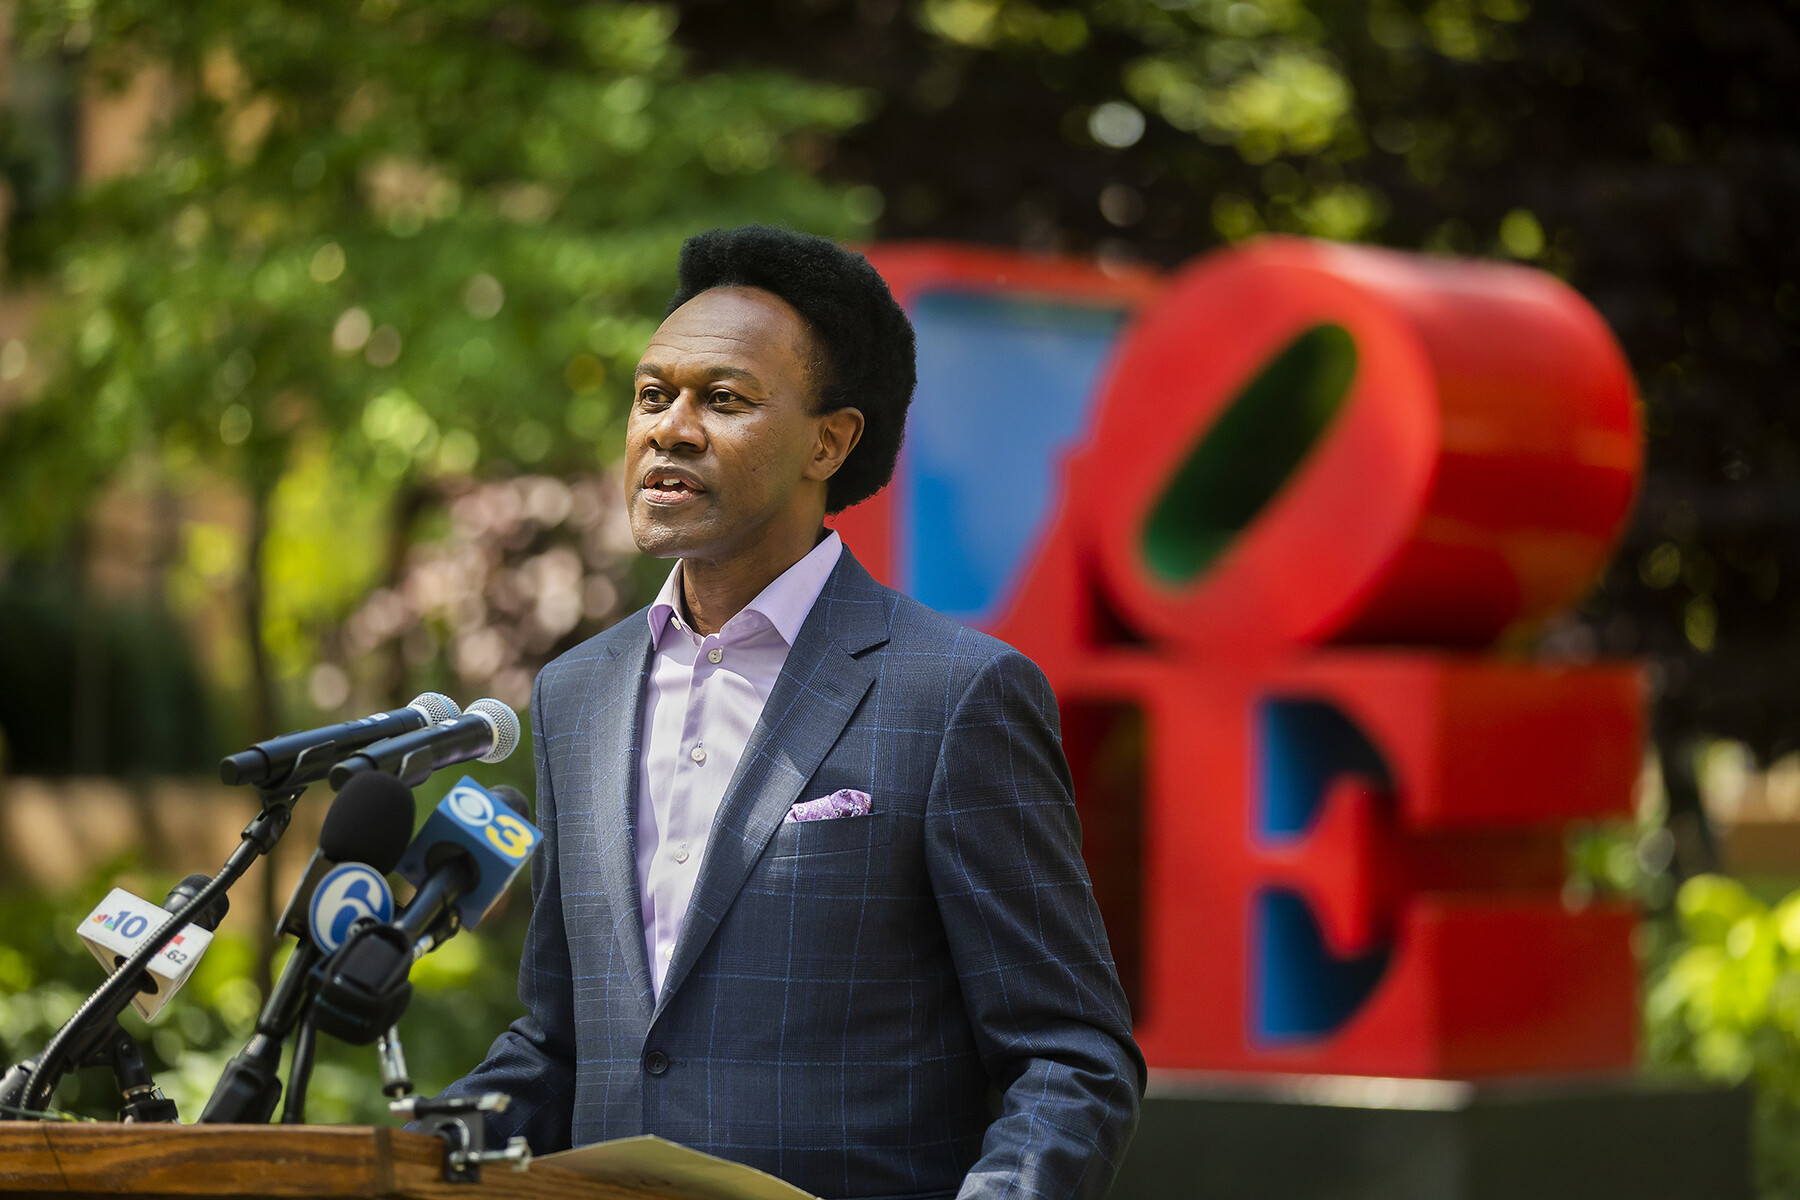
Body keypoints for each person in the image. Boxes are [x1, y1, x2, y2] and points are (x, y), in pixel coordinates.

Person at [439, 225, 1144, 1200]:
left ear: (828, 440)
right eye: (653, 396)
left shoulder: (954, 694)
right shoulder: (577, 694)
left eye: (722, 399)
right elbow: (565, 1040)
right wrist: (405, 1157)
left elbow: (1070, 1057)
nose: (669, 429)